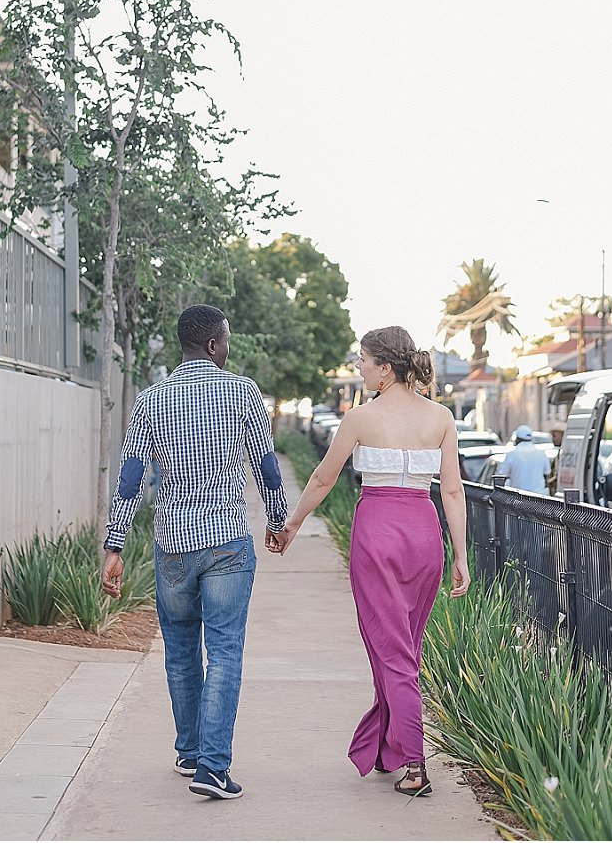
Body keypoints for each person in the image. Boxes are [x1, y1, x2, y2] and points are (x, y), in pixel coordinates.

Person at [272, 326, 469, 797]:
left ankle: (416, 764)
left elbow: (323, 479)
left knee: (392, 650)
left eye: (362, 360)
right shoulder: (441, 416)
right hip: (425, 536)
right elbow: (453, 490)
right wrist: (460, 554)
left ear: (383, 366)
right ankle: (388, 746)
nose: (357, 367)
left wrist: (293, 524)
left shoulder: (360, 419)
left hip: (377, 533)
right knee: (400, 647)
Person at [101, 305, 288, 801]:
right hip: (227, 542)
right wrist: (277, 522)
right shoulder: (242, 392)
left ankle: (189, 752)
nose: (229, 347)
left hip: (173, 550)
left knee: (182, 652)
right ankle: (212, 767)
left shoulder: (151, 400)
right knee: (224, 651)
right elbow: (267, 468)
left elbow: (129, 481)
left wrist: (113, 546)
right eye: (226, 339)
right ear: (211, 345)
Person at [498, 424, 550, 494]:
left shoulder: (512, 454)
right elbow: (547, 473)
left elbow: (503, 475)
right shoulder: (541, 453)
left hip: (518, 497)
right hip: (539, 497)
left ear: (517, 438)